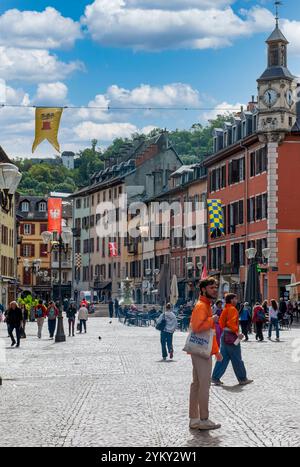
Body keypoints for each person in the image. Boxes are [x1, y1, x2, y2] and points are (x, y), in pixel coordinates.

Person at [189, 278, 222, 431]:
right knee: (204, 385)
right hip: (202, 352)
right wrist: (212, 320)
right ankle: (203, 419)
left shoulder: (205, 305)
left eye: (215, 287)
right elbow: (197, 327)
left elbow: (210, 334)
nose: (215, 290)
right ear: (203, 290)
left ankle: (194, 419)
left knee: (196, 384)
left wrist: (216, 351)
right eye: (211, 287)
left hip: (201, 350)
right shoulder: (202, 306)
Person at [212, 293, 253, 387]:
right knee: (237, 359)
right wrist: (237, 333)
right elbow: (231, 323)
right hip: (231, 336)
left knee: (223, 358)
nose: (237, 300)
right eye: (235, 299)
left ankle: (215, 377)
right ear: (231, 300)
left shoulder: (225, 309)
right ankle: (242, 379)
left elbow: (221, 323)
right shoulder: (232, 309)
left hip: (224, 335)